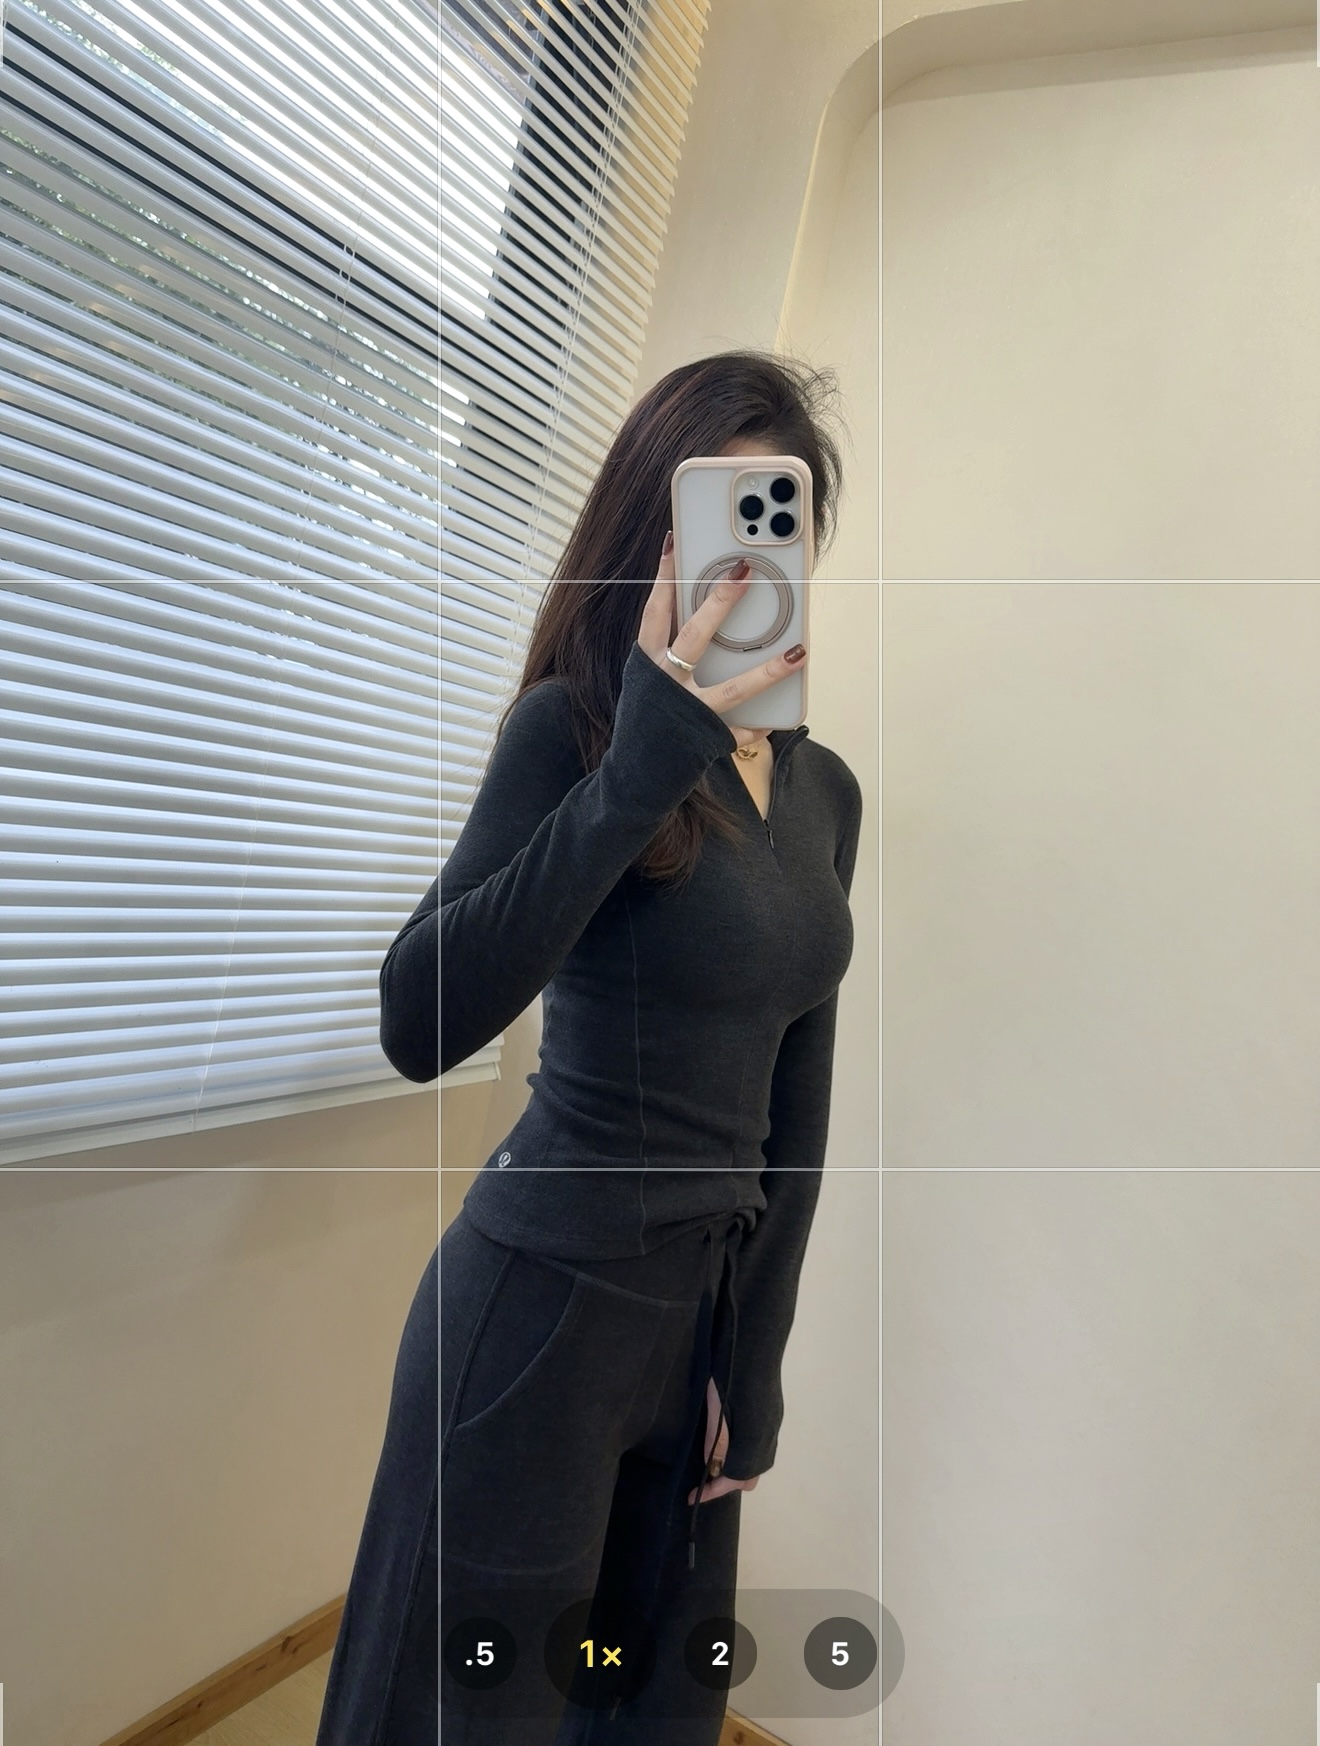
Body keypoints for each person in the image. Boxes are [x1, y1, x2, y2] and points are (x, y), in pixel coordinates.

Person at [315, 352, 860, 1746]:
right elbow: (419, 1020)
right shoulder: (575, 731)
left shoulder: (828, 795)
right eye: (715, 514)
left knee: (655, 1709)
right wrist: (642, 764)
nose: (748, 556)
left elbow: (797, 1096)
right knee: (458, 1713)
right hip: (539, 1305)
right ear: (650, 533)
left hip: (699, 1327)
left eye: (780, 518)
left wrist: (759, 1357)